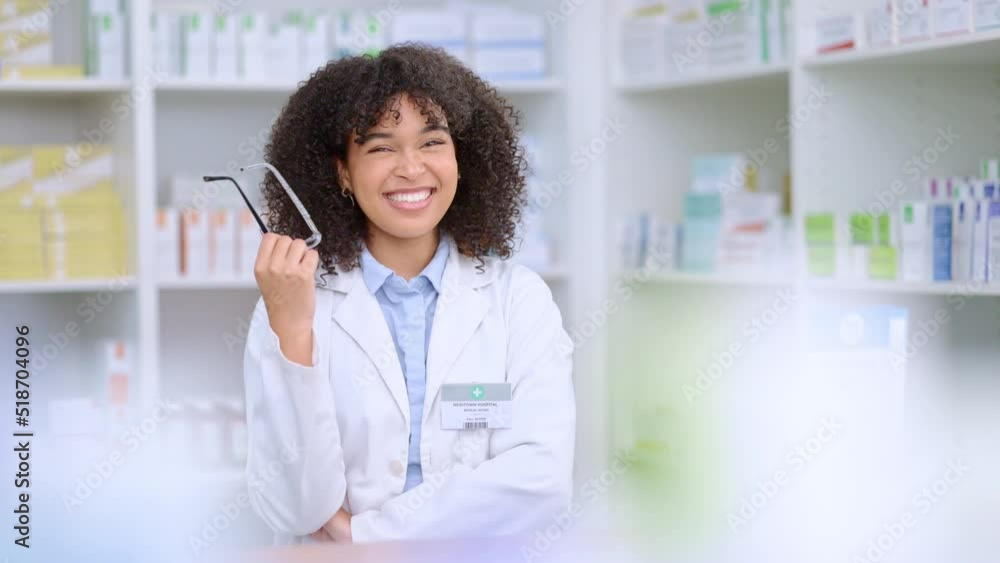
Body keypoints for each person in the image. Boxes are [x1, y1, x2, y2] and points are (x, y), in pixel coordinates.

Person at [242, 44, 576, 545]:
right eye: (380, 147)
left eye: (432, 142)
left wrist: (367, 534)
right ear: (343, 172)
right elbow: (294, 508)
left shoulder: (517, 300)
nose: (411, 168)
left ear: (461, 159)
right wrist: (292, 333)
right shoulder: (295, 303)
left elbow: (541, 482)